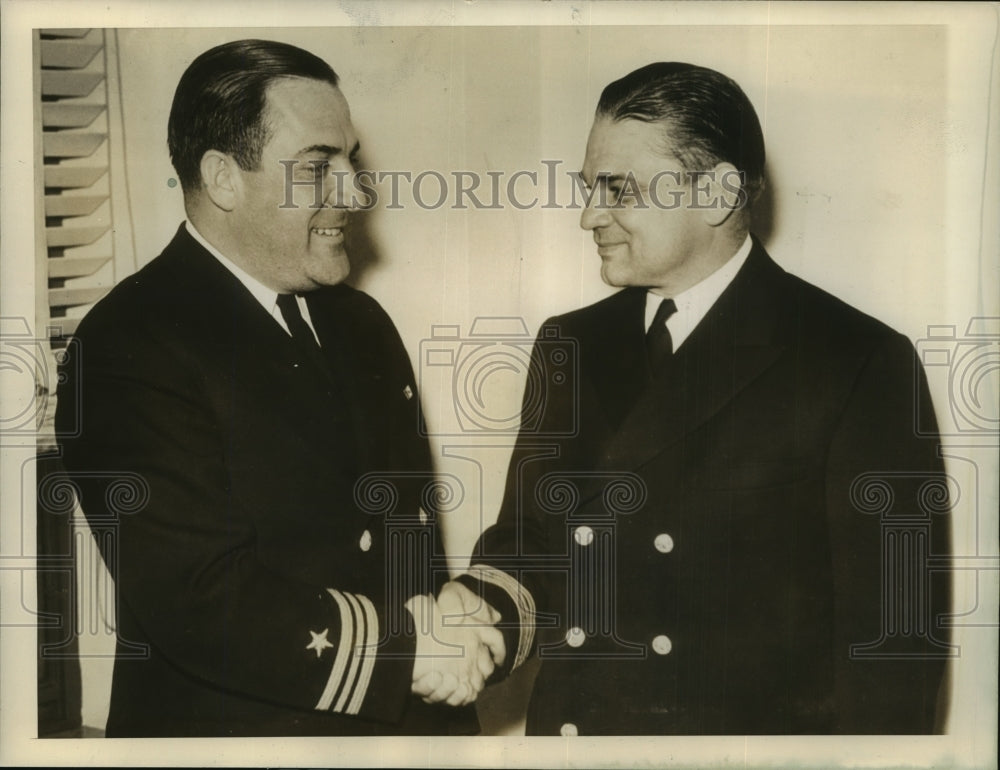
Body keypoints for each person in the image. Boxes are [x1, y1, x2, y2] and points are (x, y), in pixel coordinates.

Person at [440, 62, 953, 735]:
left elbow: (893, 647)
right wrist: (480, 618)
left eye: (618, 189)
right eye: (590, 187)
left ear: (717, 193)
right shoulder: (571, 342)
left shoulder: (856, 359)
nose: (589, 215)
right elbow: (530, 542)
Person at [55, 39, 500, 737]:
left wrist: (450, 628)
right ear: (224, 178)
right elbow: (202, 601)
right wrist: (411, 651)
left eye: (350, 160)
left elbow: (403, 542)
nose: (354, 191)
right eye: (319, 167)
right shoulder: (127, 345)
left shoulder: (359, 321)